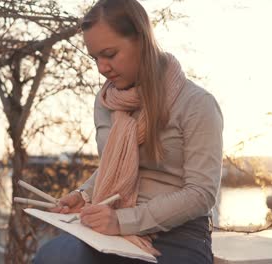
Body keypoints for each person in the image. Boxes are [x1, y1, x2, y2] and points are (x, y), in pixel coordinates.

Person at [34, 0, 223, 263]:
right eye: (95, 58)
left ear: (142, 41)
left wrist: (124, 221)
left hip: (178, 233)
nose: (101, 68)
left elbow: (201, 194)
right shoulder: (106, 103)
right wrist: (84, 195)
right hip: (110, 223)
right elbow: (115, 164)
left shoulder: (196, 104)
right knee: (49, 257)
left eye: (109, 54)